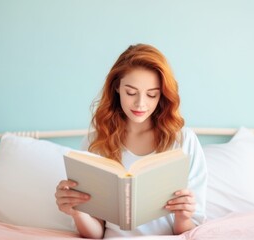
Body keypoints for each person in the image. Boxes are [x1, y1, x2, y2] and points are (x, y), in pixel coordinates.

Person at [55, 43, 207, 238]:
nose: (140, 103)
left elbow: (187, 232)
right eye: (131, 92)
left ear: (162, 94)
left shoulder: (183, 140)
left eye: (152, 94)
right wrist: (76, 211)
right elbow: (95, 233)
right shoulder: (96, 142)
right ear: (117, 87)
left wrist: (184, 216)